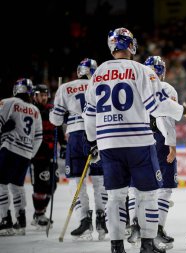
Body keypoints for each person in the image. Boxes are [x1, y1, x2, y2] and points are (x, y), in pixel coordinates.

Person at [82, 27, 186, 253]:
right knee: (148, 195)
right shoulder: (140, 70)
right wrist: (182, 110)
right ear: (130, 45)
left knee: (115, 196)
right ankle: (148, 245)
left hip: (108, 143)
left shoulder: (98, 73)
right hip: (139, 142)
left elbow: (89, 114)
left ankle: (116, 247)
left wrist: (93, 141)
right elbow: (156, 105)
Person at [49, 58, 108, 240]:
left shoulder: (66, 88)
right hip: (98, 134)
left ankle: (84, 222)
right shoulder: (101, 84)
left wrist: (64, 114)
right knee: (99, 180)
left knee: (78, 182)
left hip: (75, 136)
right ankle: (101, 220)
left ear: (79, 70)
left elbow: (56, 120)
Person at [127, 56, 178, 249]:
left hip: (135, 139)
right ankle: (157, 230)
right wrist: (171, 144)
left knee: (136, 187)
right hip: (158, 140)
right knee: (164, 188)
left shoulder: (134, 87)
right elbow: (166, 119)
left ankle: (134, 224)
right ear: (161, 71)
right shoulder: (166, 88)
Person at [0, 78, 43, 236]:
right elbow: (38, 137)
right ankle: (21, 221)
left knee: (1, 185)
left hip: (10, 149)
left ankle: (5, 221)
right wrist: (30, 154)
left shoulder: (8, 102)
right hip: (25, 153)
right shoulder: (35, 110)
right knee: (17, 187)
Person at [30, 84, 67, 229]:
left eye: (46, 95)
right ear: (35, 96)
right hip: (38, 155)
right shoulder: (32, 111)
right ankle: (39, 214)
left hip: (52, 155)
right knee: (41, 185)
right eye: (41, 95)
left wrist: (63, 144)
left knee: (53, 185)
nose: (44, 97)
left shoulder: (51, 109)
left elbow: (58, 127)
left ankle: (40, 212)